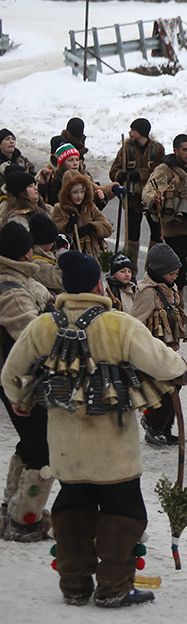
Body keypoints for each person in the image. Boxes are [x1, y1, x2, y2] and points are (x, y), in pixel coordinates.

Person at [1, 250, 187, 607]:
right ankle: (115, 586)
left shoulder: (43, 325)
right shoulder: (119, 324)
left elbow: (12, 373)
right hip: (113, 447)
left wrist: (18, 399)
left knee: (72, 505)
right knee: (125, 510)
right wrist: (179, 367)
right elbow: (164, 363)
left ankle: (73, 585)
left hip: (66, 445)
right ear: (98, 284)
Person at [0, 222, 54, 542]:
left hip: (14, 380)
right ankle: (26, 518)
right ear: (25, 252)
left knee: (29, 443)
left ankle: (13, 504)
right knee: (44, 451)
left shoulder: (13, 283)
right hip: (23, 384)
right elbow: (34, 341)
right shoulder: (15, 295)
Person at [142, 134, 187, 312]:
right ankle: (176, 308)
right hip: (175, 232)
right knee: (177, 271)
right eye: (185, 150)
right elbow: (149, 190)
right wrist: (155, 198)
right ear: (175, 151)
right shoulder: (164, 170)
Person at [131, 243, 187, 447]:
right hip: (153, 350)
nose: (175, 277)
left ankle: (164, 427)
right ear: (159, 272)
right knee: (164, 390)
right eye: (172, 273)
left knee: (174, 386)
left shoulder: (170, 287)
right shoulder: (147, 292)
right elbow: (136, 321)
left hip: (169, 348)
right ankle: (154, 427)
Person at [110, 118, 165, 274]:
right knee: (132, 235)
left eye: (133, 129)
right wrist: (122, 175)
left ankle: (152, 270)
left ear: (140, 132)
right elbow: (113, 171)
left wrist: (140, 174)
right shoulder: (126, 149)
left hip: (151, 200)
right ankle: (130, 270)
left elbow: (160, 170)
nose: (130, 132)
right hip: (133, 200)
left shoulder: (157, 149)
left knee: (156, 233)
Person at [51, 170, 112, 258]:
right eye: (75, 192)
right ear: (67, 193)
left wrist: (91, 227)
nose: (79, 196)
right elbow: (56, 228)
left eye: (82, 192)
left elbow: (107, 228)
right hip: (73, 255)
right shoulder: (59, 208)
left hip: (92, 255)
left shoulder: (90, 206)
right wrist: (68, 226)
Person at [28, 212, 64, 296]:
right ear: (45, 240)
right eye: (53, 240)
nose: (53, 243)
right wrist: (63, 252)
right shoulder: (38, 262)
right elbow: (61, 280)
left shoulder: (46, 254)